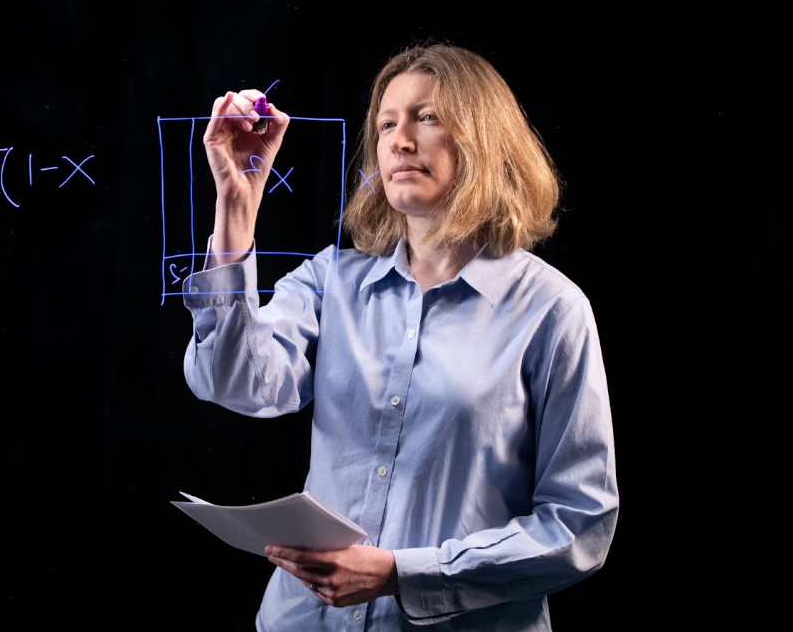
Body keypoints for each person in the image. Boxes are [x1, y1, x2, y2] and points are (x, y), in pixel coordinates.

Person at [180, 41, 618, 631]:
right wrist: (235, 204)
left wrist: (401, 574)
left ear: (488, 142)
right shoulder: (331, 280)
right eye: (387, 123)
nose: (399, 140)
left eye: (428, 118)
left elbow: (578, 526)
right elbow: (231, 382)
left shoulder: (551, 311)